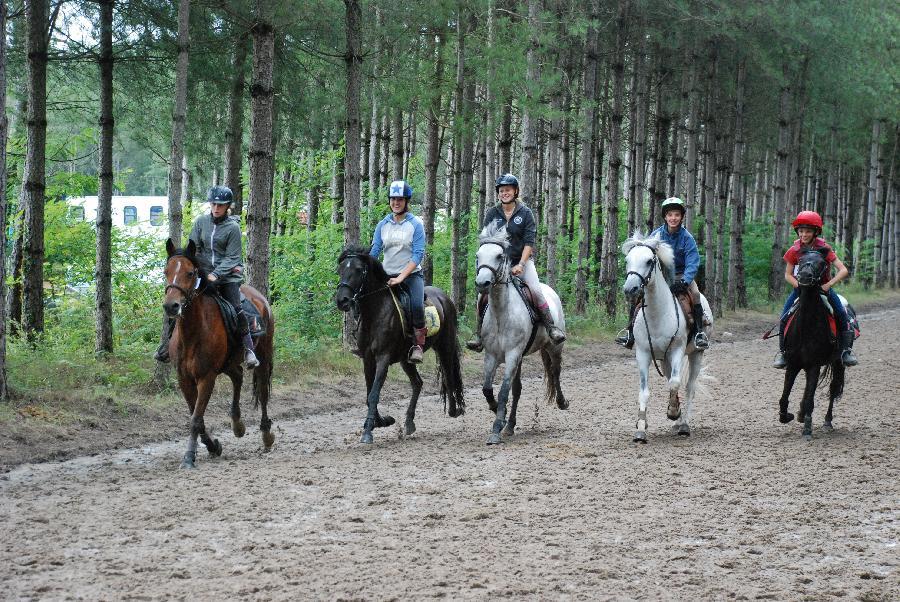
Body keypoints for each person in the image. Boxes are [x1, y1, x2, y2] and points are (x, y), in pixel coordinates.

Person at [154, 185, 259, 368]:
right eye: (213, 204)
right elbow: (194, 250)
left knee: (236, 307)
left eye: (221, 205)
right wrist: (201, 271)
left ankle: (248, 350)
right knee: (183, 304)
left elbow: (233, 257)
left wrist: (216, 274)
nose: (216, 208)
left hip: (227, 277)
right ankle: (167, 345)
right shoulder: (201, 222)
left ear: (228, 207)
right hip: (203, 274)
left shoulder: (233, 228)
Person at [466, 173, 566, 352]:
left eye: (508, 190)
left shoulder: (525, 213)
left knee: (536, 291)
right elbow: (486, 240)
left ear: (515, 191)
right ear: (498, 193)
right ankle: (479, 334)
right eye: (501, 190)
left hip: (522, 263)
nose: (504, 193)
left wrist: (521, 264)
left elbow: (529, 241)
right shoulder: (492, 213)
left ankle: (551, 328)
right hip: (497, 266)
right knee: (482, 296)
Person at [615, 196, 709, 350]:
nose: (673, 218)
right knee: (639, 294)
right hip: (661, 276)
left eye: (677, 215)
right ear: (665, 217)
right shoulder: (656, 236)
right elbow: (647, 256)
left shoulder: (687, 238)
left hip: (682, 276)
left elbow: (693, 262)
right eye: (670, 215)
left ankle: (698, 333)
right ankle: (630, 332)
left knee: (696, 294)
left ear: (681, 217)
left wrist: (685, 281)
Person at [773, 210, 858, 368]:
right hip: (801, 290)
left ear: (815, 232)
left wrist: (828, 284)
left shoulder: (824, 248)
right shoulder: (794, 250)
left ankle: (846, 351)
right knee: (784, 316)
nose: (804, 234)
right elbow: (787, 275)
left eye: (808, 231)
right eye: (801, 231)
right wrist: (799, 286)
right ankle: (784, 353)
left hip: (822, 289)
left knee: (841, 313)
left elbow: (843, 270)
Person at [369, 180, 427, 363]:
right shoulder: (382, 225)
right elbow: (375, 250)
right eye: (393, 199)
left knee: (417, 305)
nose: (396, 203)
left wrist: (401, 277)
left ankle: (418, 345)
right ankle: (364, 339)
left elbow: (418, 255)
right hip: (386, 275)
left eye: (400, 199)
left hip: (410, 276)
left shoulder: (415, 224)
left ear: (406, 201)